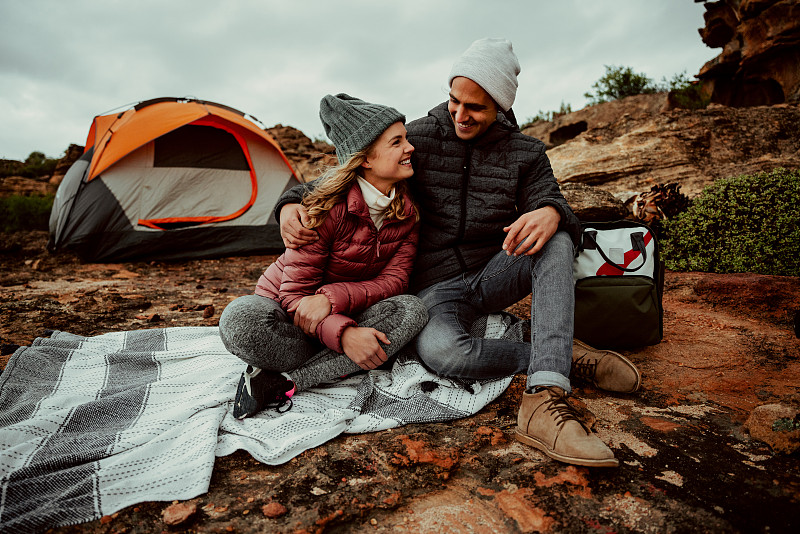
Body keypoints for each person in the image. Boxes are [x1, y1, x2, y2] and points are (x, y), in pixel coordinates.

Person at [276, 39, 641, 467]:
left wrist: (551, 212)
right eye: (454, 100)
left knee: (557, 237)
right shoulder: (418, 138)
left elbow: (554, 202)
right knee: (445, 354)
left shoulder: (526, 153)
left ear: (501, 106)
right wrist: (289, 203)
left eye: (476, 108)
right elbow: (353, 167)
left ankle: (544, 398)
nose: (460, 115)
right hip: (434, 288)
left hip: (494, 274)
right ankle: (558, 354)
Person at [219, 94, 427, 419]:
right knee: (240, 321)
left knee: (412, 310)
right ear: (367, 159)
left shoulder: (407, 214)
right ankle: (338, 362)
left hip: (347, 310)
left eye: (406, 139)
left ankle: (282, 381)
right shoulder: (324, 208)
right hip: (288, 313)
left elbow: (396, 280)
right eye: (396, 142)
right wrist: (344, 336)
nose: (410, 147)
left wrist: (334, 303)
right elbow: (292, 295)